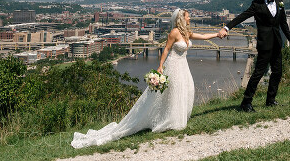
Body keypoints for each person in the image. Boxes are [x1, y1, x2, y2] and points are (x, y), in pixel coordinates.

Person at [71, 9, 220, 148]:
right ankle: (172, 121)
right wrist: (160, 66)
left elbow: (204, 37)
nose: (190, 18)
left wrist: (217, 34)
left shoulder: (187, 32)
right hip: (173, 65)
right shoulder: (174, 33)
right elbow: (166, 49)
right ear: (181, 18)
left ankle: (177, 118)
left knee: (187, 88)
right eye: (188, 16)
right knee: (173, 91)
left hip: (183, 66)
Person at [218, 0, 290, 112]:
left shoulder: (279, 3)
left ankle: (270, 100)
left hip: (277, 42)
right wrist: (226, 28)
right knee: (258, 73)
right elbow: (242, 17)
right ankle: (246, 102)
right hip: (264, 43)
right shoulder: (256, 4)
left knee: (277, 72)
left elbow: (283, 23)